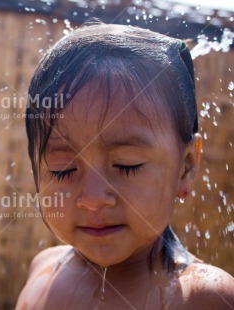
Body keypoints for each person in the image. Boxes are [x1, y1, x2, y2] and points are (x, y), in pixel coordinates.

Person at [16, 20, 234, 309]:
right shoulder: (43, 271)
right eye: (62, 169)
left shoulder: (203, 297)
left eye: (125, 165)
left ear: (186, 167)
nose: (93, 199)